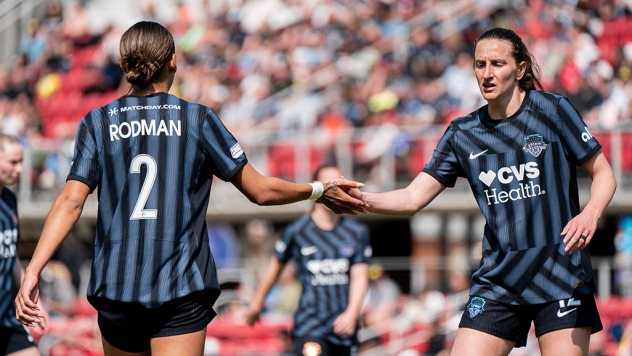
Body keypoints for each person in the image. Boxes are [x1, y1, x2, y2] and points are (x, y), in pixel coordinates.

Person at [14, 21, 367, 356]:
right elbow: (261, 192)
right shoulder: (197, 120)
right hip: (179, 286)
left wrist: (33, 270)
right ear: (173, 62)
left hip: (116, 287)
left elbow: (70, 202)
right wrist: (319, 189)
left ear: (123, 65)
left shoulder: (97, 121)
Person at [346, 28, 617, 356]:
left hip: (560, 273)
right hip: (499, 280)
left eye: (497, 64)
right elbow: (412, 197)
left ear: (519, 70)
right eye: (480, 64)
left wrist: (590, 213)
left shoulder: (553, 110)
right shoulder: (462, 133)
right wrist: (358, 199)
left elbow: (603, 172)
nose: (486, 73)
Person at [245, 165, 371, 356]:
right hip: (309, 325)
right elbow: (274, 268)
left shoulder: (357, 232)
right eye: (329, 185)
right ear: (316, 187)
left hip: (343, 325)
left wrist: (352, 314)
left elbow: (360, 276)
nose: (335, 189)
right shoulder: (296, 231)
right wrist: (256, 304)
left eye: (339, 184)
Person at [0, 133, 49, 356]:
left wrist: (31, 302)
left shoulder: (9, 200)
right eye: (13, 162)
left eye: (21, 162)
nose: (19, 169)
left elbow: (10, 257)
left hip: (7, 316)